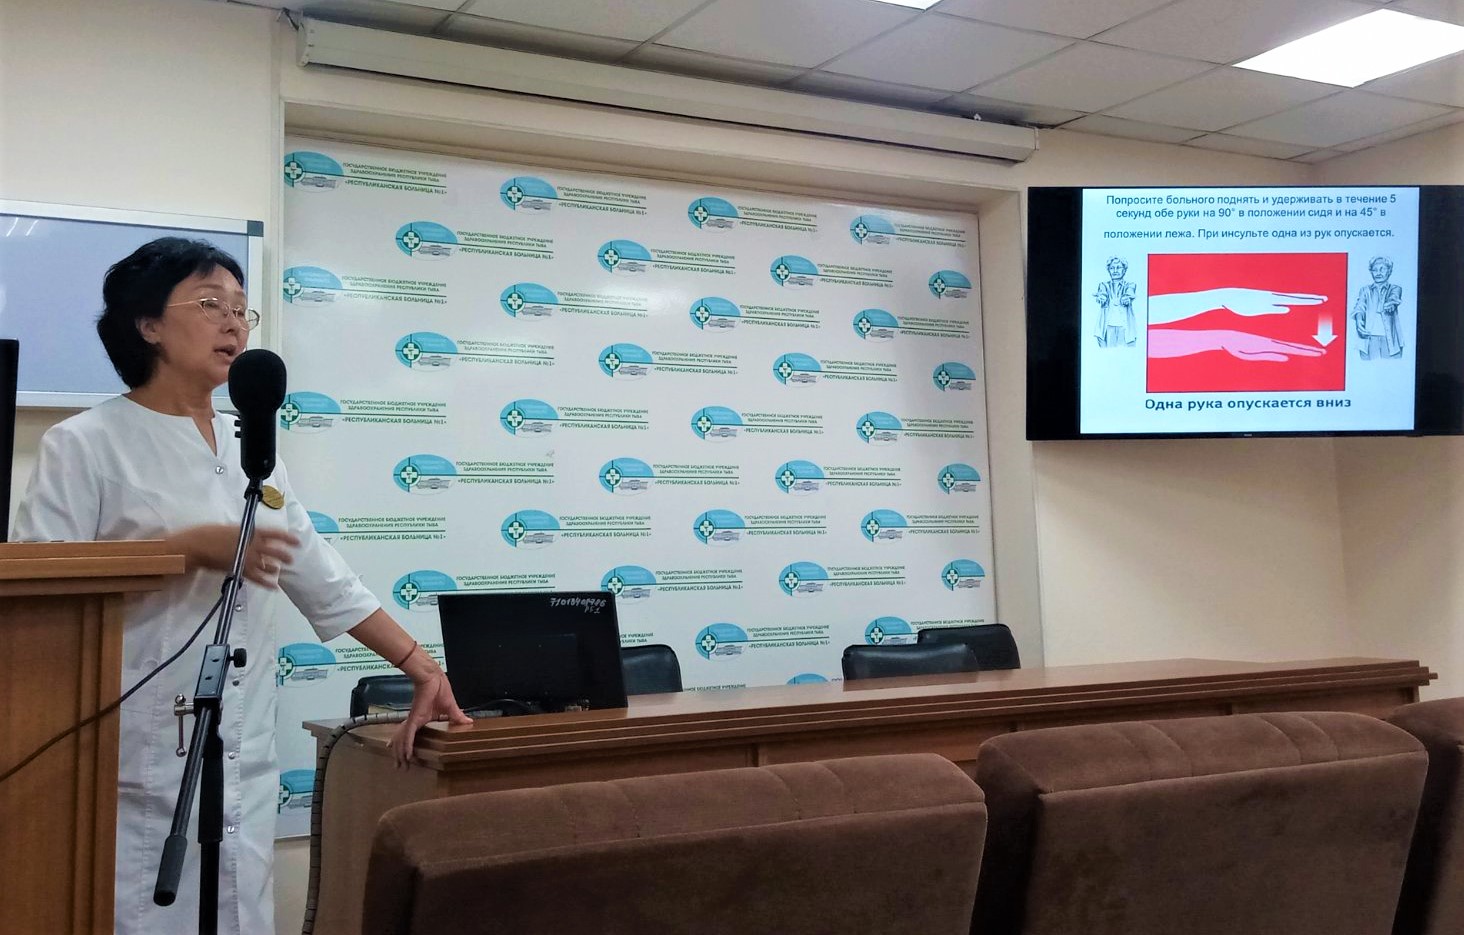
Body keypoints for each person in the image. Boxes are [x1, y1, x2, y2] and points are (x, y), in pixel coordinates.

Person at [12, 238, 471, 935]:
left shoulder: (251, 447)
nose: (232, 321)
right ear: (148, 324)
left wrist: (422, 666)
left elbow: (320, 575)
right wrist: (183, 548)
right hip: (133, 756)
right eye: (209, 303)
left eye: (240, 307)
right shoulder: (86, 442)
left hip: (243, 754)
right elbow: (40, 589)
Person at [1353, 256, 1404, 359]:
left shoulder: (1395, 288)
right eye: (1375, 270)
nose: (1378, 273)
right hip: (1369, 338)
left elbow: (1394, 298)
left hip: (1390, 340)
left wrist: (1391, 304)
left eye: (1382, 269)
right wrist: (1359, 321)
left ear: (1389, 271)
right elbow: (1359, 307)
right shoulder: (1365, 290)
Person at [1093, 256, 1137, 347]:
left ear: (1124, 270)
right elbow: (1102, 294)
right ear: (1109, 270)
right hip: (1107, 328)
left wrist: (1127, 298)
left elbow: (1129, 293)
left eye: (1118, 267)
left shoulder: (1130, 285)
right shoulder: (1103, 285)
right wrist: (1101, 298)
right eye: (1112, 268)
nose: (1115, 270)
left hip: (1125, 328)